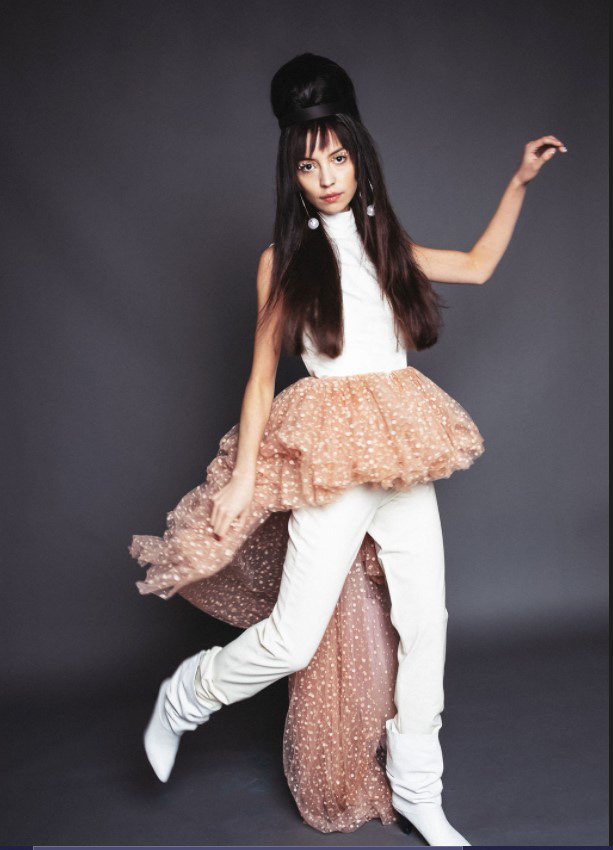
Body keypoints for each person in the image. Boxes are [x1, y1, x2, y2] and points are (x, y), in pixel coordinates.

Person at [128, 53, 566, 845]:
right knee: (293, 636)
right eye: (308, 164)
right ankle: (187, 695)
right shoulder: (283, 264)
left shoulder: (385, 243)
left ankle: (418, 788)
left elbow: (475, 267)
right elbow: (261, 379)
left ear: (358, 156)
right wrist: (243, 478)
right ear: (291, 176)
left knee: (425, 621)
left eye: (336, 157)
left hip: (399, 445)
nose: (326, 177)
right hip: (330, 455)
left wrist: (517, 183)